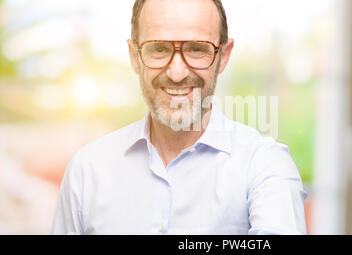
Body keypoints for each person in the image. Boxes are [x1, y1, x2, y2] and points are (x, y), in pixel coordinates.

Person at [52, 0, 307, 235]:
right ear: (134, 56)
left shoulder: (264, 166)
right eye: (159, 49)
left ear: (223, 56)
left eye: (197, 49)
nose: (176, 73)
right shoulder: (87, 171)